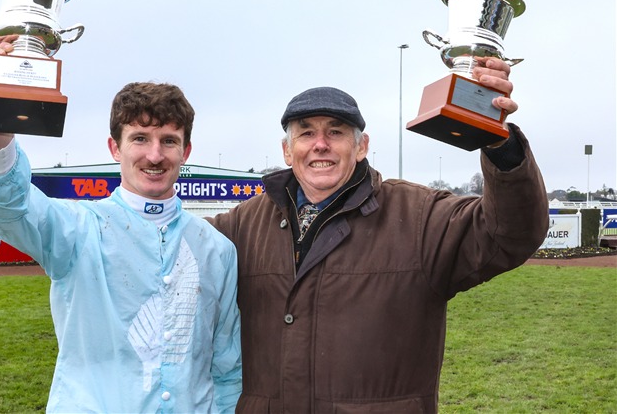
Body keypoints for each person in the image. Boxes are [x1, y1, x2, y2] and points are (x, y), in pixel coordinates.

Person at [209, 59, 549, 414]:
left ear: (361, 147)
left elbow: (510, 233)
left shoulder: (419, 217)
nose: (320, 144)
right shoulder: (242, 226)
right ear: (286, 150)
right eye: (306, 132)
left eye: (336, 132)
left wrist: (496, 140)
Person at [0, 42, 242, 414]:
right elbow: (3, 205)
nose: (155, 155)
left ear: (185, 152)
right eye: (140, 139)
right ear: (115, 148)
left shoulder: (217, 249)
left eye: (169, 141)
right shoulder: (76, 230)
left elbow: (226, 367)